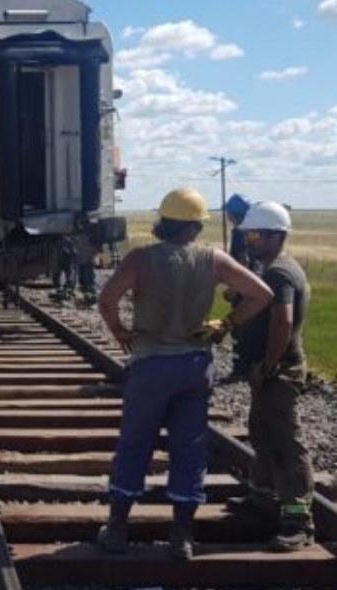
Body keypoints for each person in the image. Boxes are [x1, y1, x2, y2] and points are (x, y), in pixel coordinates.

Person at [95, 188, 272, 560]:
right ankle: (182, 538)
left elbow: (107, 299)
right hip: (193, 367)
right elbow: (261, 293)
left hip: (150, 366)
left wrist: (119, 331)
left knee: (134, 445)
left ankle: (116, 529)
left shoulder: (141, 259)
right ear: (194, 226)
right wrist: (226, 323)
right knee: (189, 449)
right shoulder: (214, 260)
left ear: (163, 222)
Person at [230, 201, 316, 552]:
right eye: (248, 233)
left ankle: (298, 520)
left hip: (278, 371)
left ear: (276, 236)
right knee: (263, 435)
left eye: (256, 235)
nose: (250, 240)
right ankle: (262, 501)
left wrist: (269, 364)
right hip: (269, 371)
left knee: (285, 445)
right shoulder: (270, 266)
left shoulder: (280, 272)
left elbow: (282, 320)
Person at [223, 193, 253, 378]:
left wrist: (235, 288)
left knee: (240, 326)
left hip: (244, 288)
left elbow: (243, 261)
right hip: (254, 286)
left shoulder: (240, 232)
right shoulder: (254, 230)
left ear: (232, 213)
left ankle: (241, 370)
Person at [50, 235, 77, 301]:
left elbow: (74, 253)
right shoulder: (65, 242)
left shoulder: (68, 242)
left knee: (68, 277)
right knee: (59, 276)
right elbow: (74, 253)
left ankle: (66, 291)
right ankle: (61, 291)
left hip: (66, 263)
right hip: (62, 263)